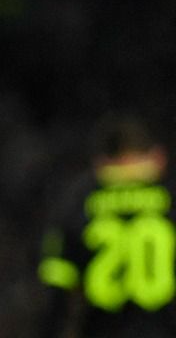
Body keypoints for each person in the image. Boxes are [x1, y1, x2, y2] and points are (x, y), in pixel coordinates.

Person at [38, 116, 176, 338]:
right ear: (158, 156)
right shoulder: (170, 192)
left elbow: (56, 292)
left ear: (101, 160)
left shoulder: (79, 198)